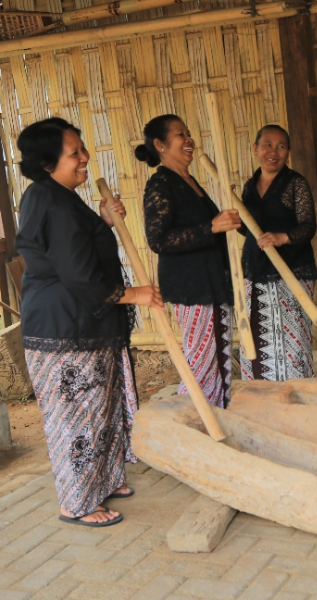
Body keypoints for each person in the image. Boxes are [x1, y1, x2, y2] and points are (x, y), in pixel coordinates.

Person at [16, 118, 163, 527]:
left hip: (83, 326)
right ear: (48, 162)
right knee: (76, 416)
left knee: (101, 408)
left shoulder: (58, 196)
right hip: (66, 329)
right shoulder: (52, 201)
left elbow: (80, 246)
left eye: (82, 149)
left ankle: (105, 479)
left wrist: (104, 219)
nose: (85, 158)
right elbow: (78, 273)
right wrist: (134, 294)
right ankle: (77, 502)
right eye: (74, 153)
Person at [139, 115, 241, 408]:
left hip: (211, 283)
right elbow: (159, 240)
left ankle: (215, 417)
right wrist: (211, 227)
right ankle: (194, 422)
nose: (189, 140)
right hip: (192, 287)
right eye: (180, 134)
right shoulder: (160, 183)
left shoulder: (188, 181)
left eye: (188, 132)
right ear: (160, 145)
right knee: (201, 362)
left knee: (218, 358)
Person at [238, 125, 317, 381]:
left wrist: (283, 237)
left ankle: (296, 398)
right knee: (258, 339)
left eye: (281, 146)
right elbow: (249, 231)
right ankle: (261, 399)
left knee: (292, 343)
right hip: (255, 272)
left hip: (291, 273)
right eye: (267, 145)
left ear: (288, 152)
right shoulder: (250, 186)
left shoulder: (296, 183)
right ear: (255, 149)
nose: (274, 151)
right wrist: (230, 208)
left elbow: (308, 226)